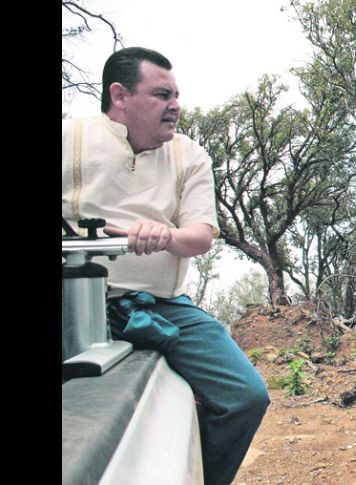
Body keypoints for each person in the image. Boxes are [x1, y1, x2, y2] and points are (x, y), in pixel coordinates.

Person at [62, 47, 270, 485]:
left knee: (246, 396)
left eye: (176, 95)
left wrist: (164, 235)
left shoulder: (189, 155)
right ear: (120, 97)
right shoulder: (71, 139)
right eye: (162, 95)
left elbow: (199, 237)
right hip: (72, 297)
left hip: (159, 303)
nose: (175, 105)